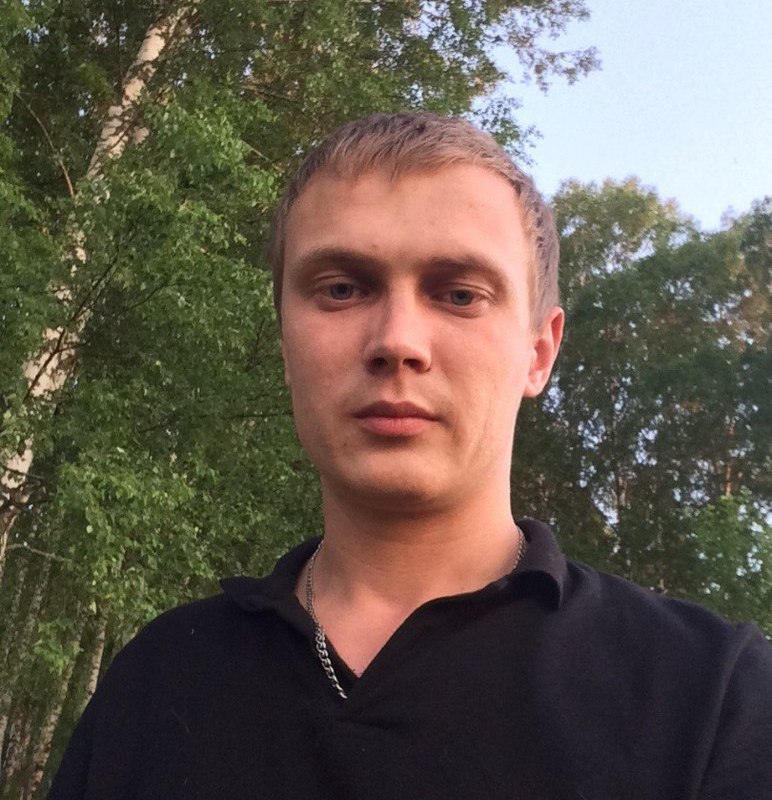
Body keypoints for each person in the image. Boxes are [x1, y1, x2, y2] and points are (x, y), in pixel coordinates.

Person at [49, 113, 771, 799]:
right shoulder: (156, 683)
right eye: (341, 289)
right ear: (285, 344)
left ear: (539, 352)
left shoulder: (715, 699)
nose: (397, 340)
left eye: (459, 294)